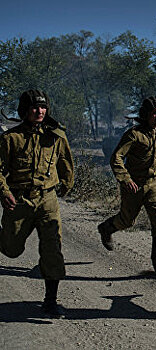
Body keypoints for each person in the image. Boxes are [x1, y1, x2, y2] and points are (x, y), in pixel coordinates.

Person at [0, 89, 74, 317]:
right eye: (34, 107)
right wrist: (4, 193)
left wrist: (66, 183)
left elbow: (65, 162)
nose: (39, 111)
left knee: (53, 249)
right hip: (19, 200)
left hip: (47, 199)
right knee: (11, 250)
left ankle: (50, 302)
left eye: (43, 107)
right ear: (24, 111)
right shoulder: (10, 139)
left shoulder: (55, 136)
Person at [97, 96, 156, 277]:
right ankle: (106, 228)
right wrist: (126, 179)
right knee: (127, 221)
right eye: (155, 113)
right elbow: (116, 157)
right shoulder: (134, 134)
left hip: (153, 184)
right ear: (146, 115)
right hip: (133, 184)